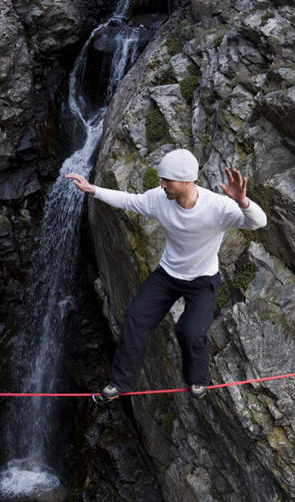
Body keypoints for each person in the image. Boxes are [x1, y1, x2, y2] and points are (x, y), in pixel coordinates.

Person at [66, 148, 267, 402]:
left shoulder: (218, 207)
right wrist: (93, 189)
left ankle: (197, 379)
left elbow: (259, 222)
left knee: (191, 332)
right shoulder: (159, 199)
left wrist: (242, 202)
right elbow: (129, 200)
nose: (161, 186)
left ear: (186, 181)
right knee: (135, 320)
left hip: (202, 280)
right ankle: (120, 383)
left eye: (167, 181)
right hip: (167, 275)